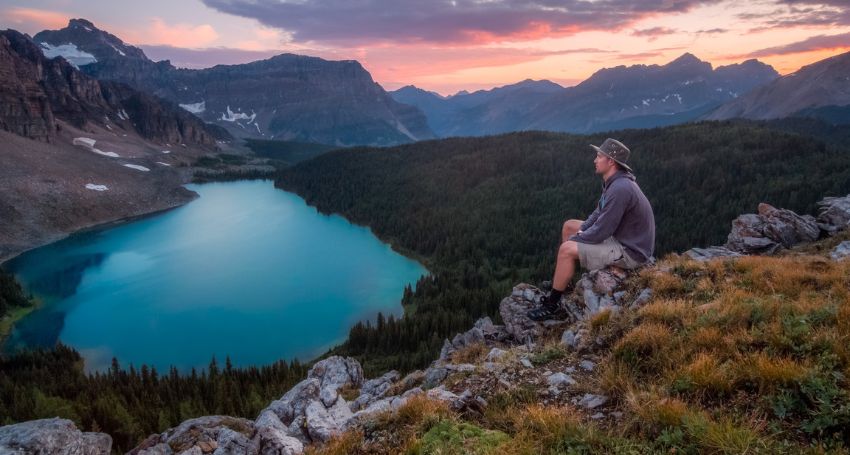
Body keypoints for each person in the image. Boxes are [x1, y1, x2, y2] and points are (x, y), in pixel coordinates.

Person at [527, 138, 655, 321]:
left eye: (598, 156)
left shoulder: (620, 188)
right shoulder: (613, 183)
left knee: (566, 250)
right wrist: (581, 231)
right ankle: (565, 282)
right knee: (569, 225)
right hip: (622, 238)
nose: (595, 160)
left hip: (631, 251)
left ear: (610, 161)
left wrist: (579, 239)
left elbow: (602, 230)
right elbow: (597, 214)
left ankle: (551, 304)